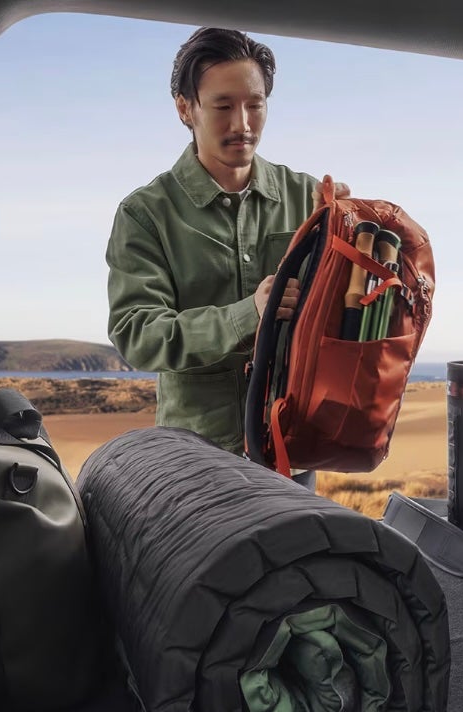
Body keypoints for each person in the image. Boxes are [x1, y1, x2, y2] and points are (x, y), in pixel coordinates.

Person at [105, 27, 348, 475]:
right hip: (193, 461)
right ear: (185, 108)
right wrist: (249, 313)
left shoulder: (309, 198)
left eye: (255, 105)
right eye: (223, 106)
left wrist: (346, 240)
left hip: (290, 455)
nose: (243, 124)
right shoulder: (145, 214)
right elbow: (137, 334)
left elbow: (342, 321)